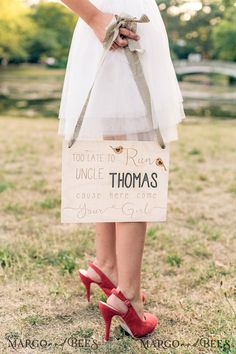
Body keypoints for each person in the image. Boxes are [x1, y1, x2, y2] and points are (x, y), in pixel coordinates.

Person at [58, 0, 186, 341]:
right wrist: (95, 17)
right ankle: (127, 296)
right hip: (116, 28)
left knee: (115, 159)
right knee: (133, 165)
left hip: (117, 26)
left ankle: (107, 265)